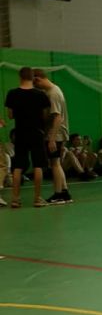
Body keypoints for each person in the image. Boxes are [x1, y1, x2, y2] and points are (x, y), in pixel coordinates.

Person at [4, 66, 52, 208]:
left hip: (20, 133)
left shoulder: (12, 93)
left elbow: (10, 115)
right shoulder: (41, 95)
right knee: (38, 165)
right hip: (37, 133)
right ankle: (37, 199)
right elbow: (45, 116)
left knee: (18, 166)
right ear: (33, 78)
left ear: (20, 77)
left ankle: (15, 199)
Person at [33, 69, 73, 205]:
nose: (36, 87)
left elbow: (57, 117)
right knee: (57, 163)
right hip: (58, 133)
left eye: (35, 84)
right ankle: (65, 192)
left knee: (54, 164)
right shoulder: (55, 89)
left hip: (56, 134)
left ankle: (58, 194)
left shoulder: (53, 93)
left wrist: (52, 139)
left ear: (38, 79)